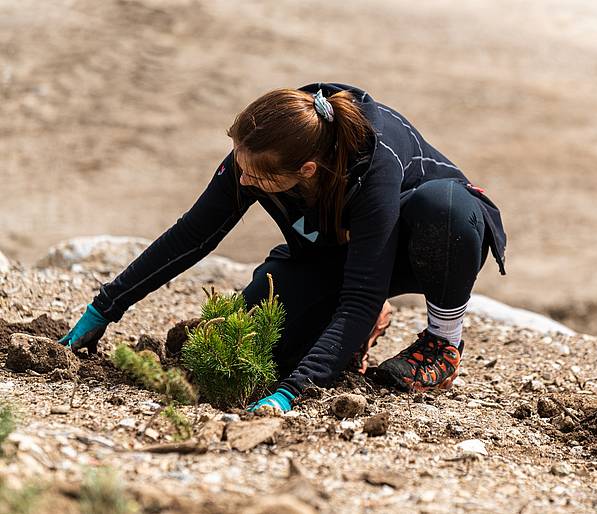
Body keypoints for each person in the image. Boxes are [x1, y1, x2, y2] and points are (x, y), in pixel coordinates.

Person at [58, 83, 507, 412]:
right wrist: (106, 306)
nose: (243, 180)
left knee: (445, 208)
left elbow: (360, 293)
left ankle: (441, 344)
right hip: (329, 252)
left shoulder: (375, 166)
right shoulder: (259, 153)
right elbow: (193, 235)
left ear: (307, 169)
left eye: (255, 177)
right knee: (262, 346)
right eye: (240, 166)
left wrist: (292, 393)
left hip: (422, 244)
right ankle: (363, 328)